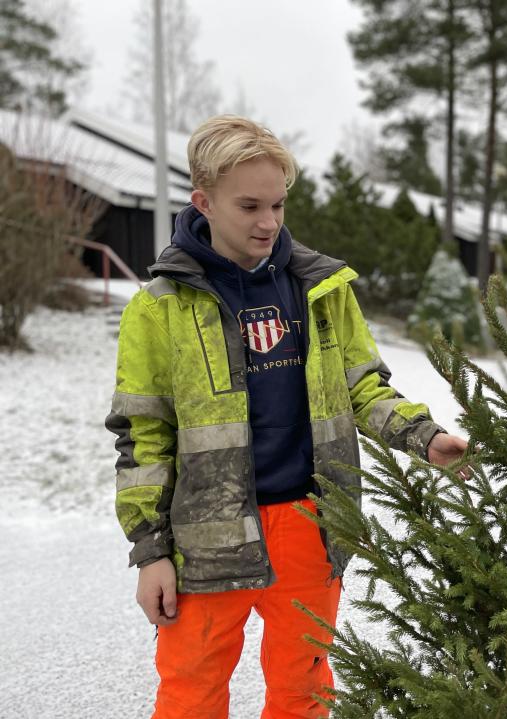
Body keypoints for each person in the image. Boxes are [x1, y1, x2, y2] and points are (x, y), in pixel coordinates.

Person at [105, 115, 468, 718]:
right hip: (205, 539)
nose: (268, 222)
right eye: (249, 205)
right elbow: (142, 435)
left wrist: (423, 438)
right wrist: (150, 551)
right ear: (203, 202)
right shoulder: (158, 308)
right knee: (190, 694)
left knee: (304, 693)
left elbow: (363, 388)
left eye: (277, 204)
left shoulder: (321, 288)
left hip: (310, 525)